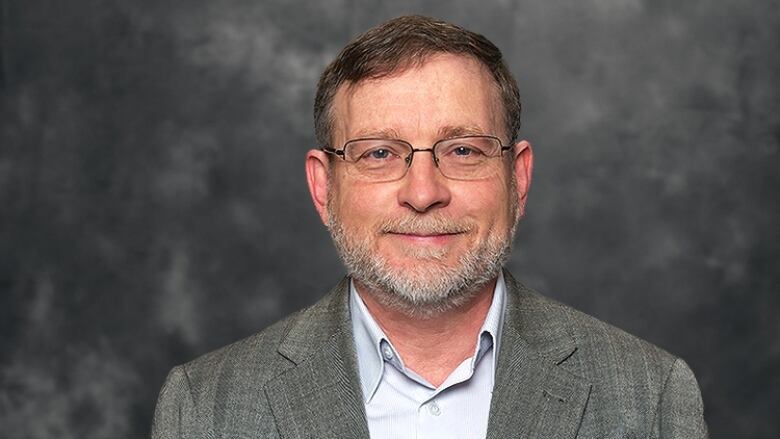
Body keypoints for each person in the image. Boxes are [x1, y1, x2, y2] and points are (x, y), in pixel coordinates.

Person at [151, 15, 708, 439]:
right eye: (378, 154)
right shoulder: (206, 409)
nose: (423, 193)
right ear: (324, 188)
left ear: (518, 177)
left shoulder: (650, 396)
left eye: (463, 150)